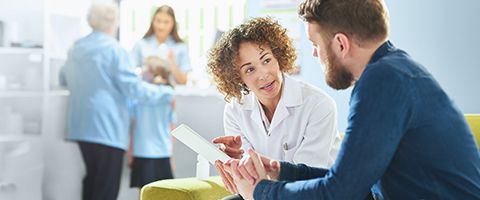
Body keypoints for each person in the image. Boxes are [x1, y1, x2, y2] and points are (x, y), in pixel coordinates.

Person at [225, 0, 480, 199]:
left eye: (315, 43)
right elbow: (352, 181)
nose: (314, 53)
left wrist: (260, 193)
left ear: (340, 44)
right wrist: (281, 170)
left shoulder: (383, 82)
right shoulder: (392, 71)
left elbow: (340, 193)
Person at [207, 17, 341, 195]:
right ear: (238, 78)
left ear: (278, 57)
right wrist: (235, 163)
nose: (263, 75)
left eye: (266, 60)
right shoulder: (235, 110)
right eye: (250, 69)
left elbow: (306, 179)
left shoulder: (319, 105)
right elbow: (249, 180)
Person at [59, 3, 174, 200]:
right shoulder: (114, 50)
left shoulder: (76, 47)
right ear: (113, 21)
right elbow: (134, 89)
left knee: (92, 180)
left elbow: (63, 78)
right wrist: (165, 93)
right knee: (105, 187)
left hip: (80, 126)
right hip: (106, 128)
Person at [127, 56, 177, 189]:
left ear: (153, 73)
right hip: (162, 151)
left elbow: (133, 126)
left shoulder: (136, 96)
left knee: (144, 193)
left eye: (145, 69)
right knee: (162, 194)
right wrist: (171, 155)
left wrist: (131, 152)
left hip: (142, 151)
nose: (142, 72)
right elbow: (171, 127)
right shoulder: (169, 95)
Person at [130, 5, 191, 84]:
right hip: (146, 93)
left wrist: (172, 63)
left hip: (171, 95)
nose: (161, 26)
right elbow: (130, 73)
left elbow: (183, 81)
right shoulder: (141, 45)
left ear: (173, 24)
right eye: (158, 21)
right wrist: (142, 73)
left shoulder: (180, 47)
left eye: (166, 22)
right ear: (153, 21)